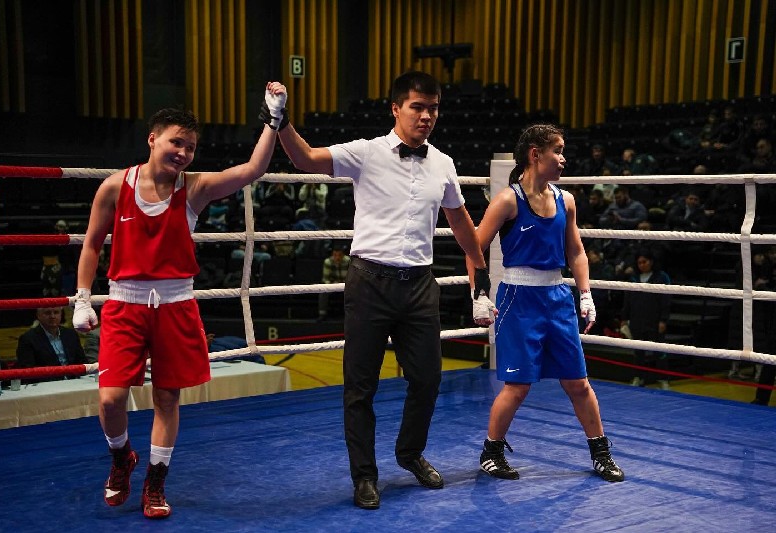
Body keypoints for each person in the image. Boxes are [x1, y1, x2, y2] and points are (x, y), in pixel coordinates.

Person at [275, 71, 494, 510]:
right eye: (418, 107)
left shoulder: (443, 163)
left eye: (433, 108)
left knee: (428, 380)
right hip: (369, 283)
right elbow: (305, 158)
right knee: (360, 387)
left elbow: (461, 224)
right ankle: (364, 476)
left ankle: (409, 453)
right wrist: (280, 121)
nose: (426, 116)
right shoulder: (366, 153)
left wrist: (481, 281)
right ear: (396, 108)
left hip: (419, 285)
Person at [72, 83, 286, 520]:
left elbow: (252, 169)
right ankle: (121, 458)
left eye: (190, 147)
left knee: (167, 400)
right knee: (110, 400)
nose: (184, 153)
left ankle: (155, 482)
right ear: (153, 139)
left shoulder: (195, 188)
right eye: (176, 142)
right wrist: (82, 298)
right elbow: (92, 243)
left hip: (175, 305)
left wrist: (274, 119)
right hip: (125, 305)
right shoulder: (114, 187)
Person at [465, 124, 625, 484]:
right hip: (519, 298)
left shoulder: (566, 200)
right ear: (535, 154)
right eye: (558, 151)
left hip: (557, 297)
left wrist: (585, 293)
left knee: (578, 382)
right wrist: (479, 294)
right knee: (518, 385)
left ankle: (601, 453)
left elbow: (576, 251)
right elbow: (474, 248)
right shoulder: (508, 200)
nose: (564, 159)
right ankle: (491, 451)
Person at [621, 250, 672, 389]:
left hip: (654, 320)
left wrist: (663, 320)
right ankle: (639, 377)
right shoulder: (633, 278)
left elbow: (666, 300)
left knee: (659, 351)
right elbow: (627, 300)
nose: (642, 265)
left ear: (651, 261)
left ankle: (663, 379)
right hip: (636, 320)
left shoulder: (661, 277)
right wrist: (624, 318)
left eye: (644, 262)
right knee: (638, 352)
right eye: (639, 263)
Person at [16, 307, 87, 381]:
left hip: (74, 381)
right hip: (47, 383)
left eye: (56, 312)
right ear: (38, 315)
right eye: (47, 313)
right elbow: (28, 371)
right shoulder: (28, 339)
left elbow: (82, 362)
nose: (52, 316)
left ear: (61, 314)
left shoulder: (71, 334)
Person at [317, 245, 350, 321]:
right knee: (323, 291)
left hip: (346, 286)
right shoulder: (328, 262)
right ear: (332, 255)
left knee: (356, 291)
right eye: (335, 255)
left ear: (343, 255)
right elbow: (326, 279)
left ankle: (352, 315)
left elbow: (352, 278)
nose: (337, 258)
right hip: (332, 286)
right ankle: (322, 314)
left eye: (339, 255)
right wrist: (333, 286)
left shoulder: (349, 261)